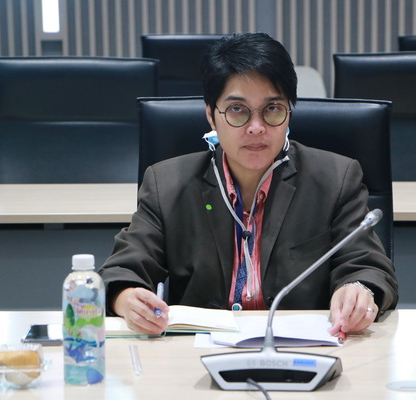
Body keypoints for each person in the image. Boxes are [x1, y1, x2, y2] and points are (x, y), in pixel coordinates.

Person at [98, 32, 398, 336]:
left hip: (302, 346)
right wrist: (126, 298)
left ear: (289, 112)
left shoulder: (334, 178)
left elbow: (369, 266)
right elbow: (122, 269)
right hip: (197, 350)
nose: (256, 128)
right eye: (237, 110)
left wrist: (358, 289)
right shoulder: (168, 184)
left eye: (272, 109)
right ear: (211, 116)